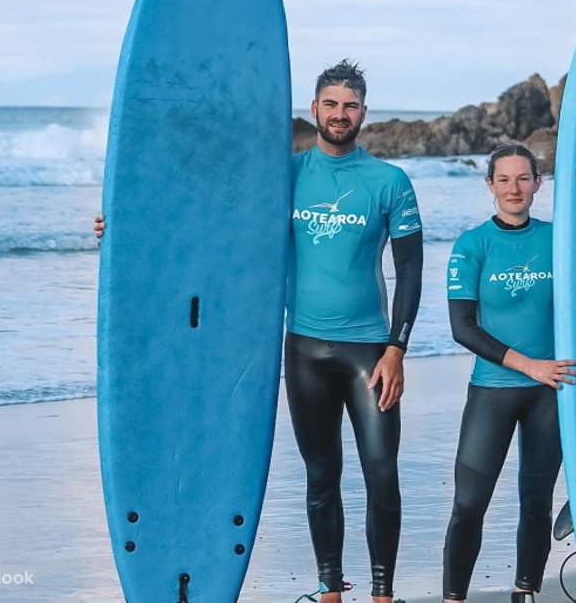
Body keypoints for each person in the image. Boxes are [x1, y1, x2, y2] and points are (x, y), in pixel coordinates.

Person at [95, 60, 423, 603]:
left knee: (381, 473)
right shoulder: (285, 175)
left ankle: (382, 594)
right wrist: (123, 222)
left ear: (364, 112)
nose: (340, 114)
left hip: (369, 351)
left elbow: (410, 268)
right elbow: (207, 216)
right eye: (331, 104)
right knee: (321, 476)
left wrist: (397, 347)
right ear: (314, 109)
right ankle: (329, 588)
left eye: (350, 105)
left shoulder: (389, 181)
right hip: (304, 350)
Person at [441, 144, 576, 603]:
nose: (514, 188)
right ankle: (453, 598)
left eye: (524, 178)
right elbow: (462, 328)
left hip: (550, 391)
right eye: (504, 179)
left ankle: (526, 593)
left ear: (539, 183)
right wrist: (529, 366)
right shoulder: (472, 245)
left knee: (535, 503)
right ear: (490, 186)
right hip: (493, 390)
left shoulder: (559, 240)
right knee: (467, 506)